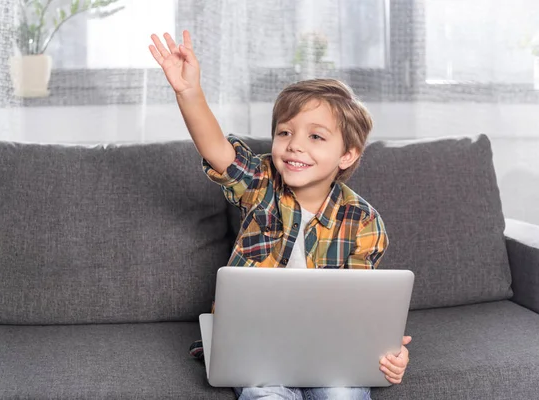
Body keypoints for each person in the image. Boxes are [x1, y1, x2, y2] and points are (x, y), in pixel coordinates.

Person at [149, 30, 412, 400]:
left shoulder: (364, 221)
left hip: (327, 347)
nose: (294, 145)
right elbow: (217, 152)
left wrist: (389, 351)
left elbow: (362, 309)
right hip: (255, 341)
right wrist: (188, 92)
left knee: (342, 394)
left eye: (316, 137)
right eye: (284, 132)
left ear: (347, 155)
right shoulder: (261, 183)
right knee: (264, 395)